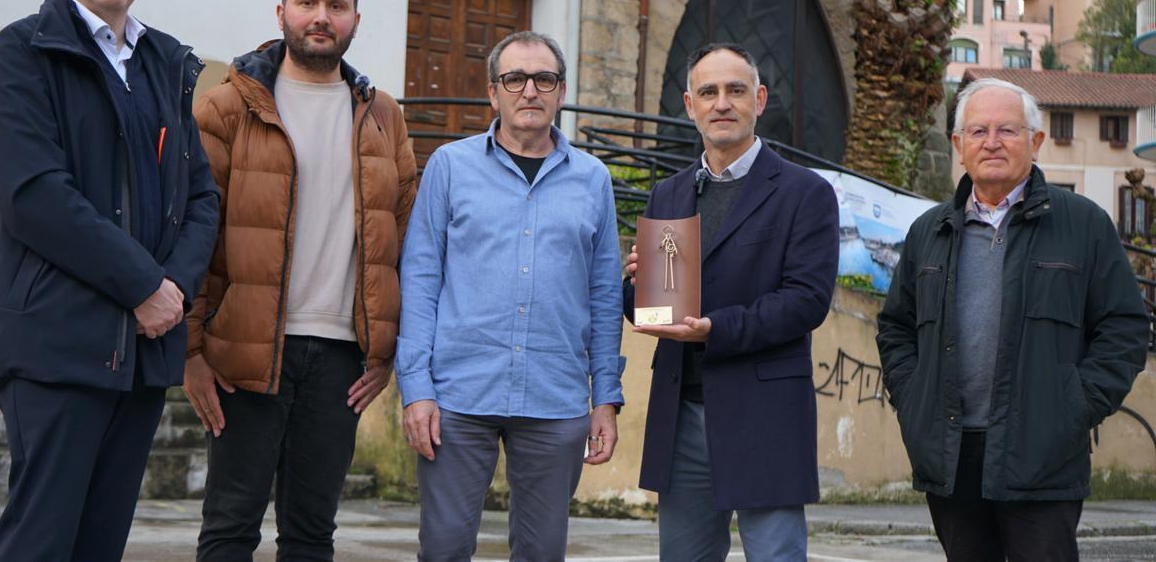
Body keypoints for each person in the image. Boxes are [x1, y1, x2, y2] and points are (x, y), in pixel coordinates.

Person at [0, 0, 219, 560]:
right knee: (42, 543)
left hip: (140, 354)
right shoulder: (24, 52)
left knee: (99, 545)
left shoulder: (164, 64)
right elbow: (36, 197)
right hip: (55, 345)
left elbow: (200, 196)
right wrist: (143, 284)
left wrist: (172, 287)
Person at [181, 0, 417, 559]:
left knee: (313, 534)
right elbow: (189, 236)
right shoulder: (226, 107)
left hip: (342, 361)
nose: (321, 17)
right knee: (231, 527)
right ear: (282, 11)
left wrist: (386, 350)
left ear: (355, 20)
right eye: (308, 3)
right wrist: (189, 352)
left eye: (335, 6)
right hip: (245, 350)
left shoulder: (383, 116)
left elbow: (406, 237)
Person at [877, 77, 1150, 561]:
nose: (992, 142)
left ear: (1036, 142)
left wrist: (1074, 408)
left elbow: (1124, 328)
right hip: (951, 455)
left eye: (1008, 129)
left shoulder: (1083, 224)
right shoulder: (929, 231)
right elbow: (896, 326)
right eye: (978, 132)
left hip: (1043, 455)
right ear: (959, 146)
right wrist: (913, 396)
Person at [395, 31, 624, 560]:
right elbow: (421, 276)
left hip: (556, 396)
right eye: (514, 78)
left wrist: (605, 398)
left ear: (560, 91)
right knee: (445, 548)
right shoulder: (451, 167)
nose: (530, 90)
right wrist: (416, 388)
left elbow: (605, 293)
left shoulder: (593, 179)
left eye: (543, 79)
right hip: (458, 395)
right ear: (492, 92)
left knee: (543, 553)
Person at [623, 42, 839, 561]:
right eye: (708, 92)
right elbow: (648, 308)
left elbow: (806, 301)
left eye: (735, 90)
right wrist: (635, 287)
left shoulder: (804, 192)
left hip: (764, 414)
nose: (722, 103)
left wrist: (714, 329)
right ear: (689, 104)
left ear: (759, 100)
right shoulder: (668, 195)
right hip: (682, 416)